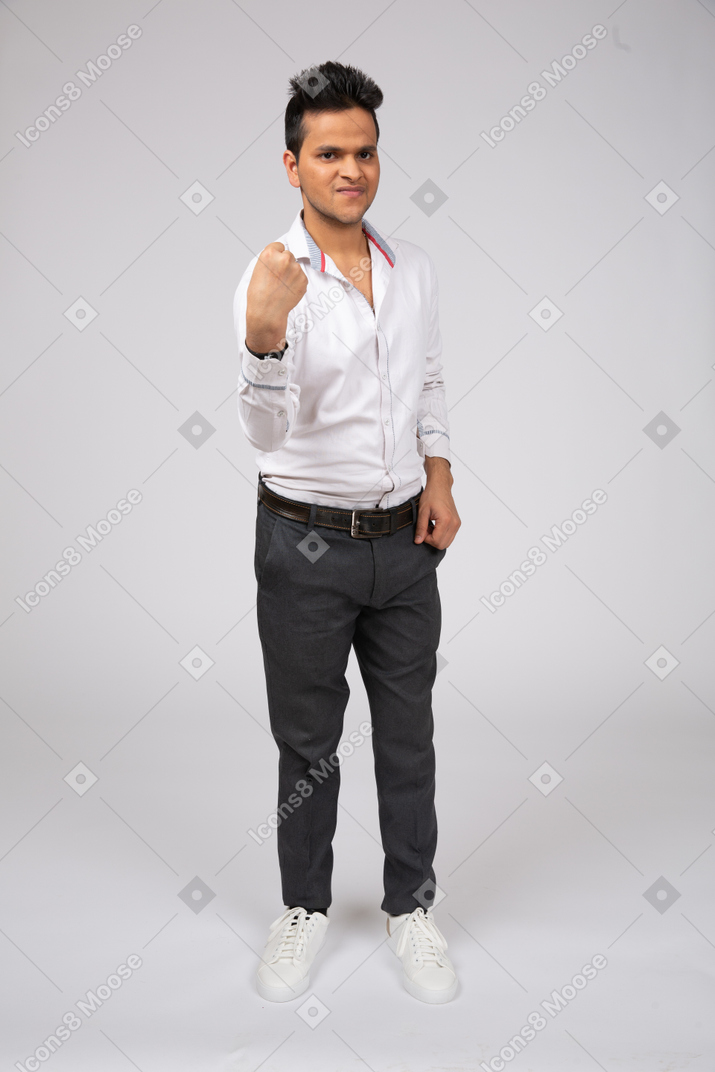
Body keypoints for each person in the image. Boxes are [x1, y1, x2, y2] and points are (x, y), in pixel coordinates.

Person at [233, 60, 461, 1005]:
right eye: (328, 153)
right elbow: (261, 434)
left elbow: (430, 385)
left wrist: (440, 475)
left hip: (405, 545)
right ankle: (304, 910)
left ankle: (411, 906)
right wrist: (262, 337)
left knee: (409, 736)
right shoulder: (270, 277)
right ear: (292, 164)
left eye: (363, 152)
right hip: (305, 548)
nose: (351, 170)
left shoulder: (413, 269)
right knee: (308, 744)